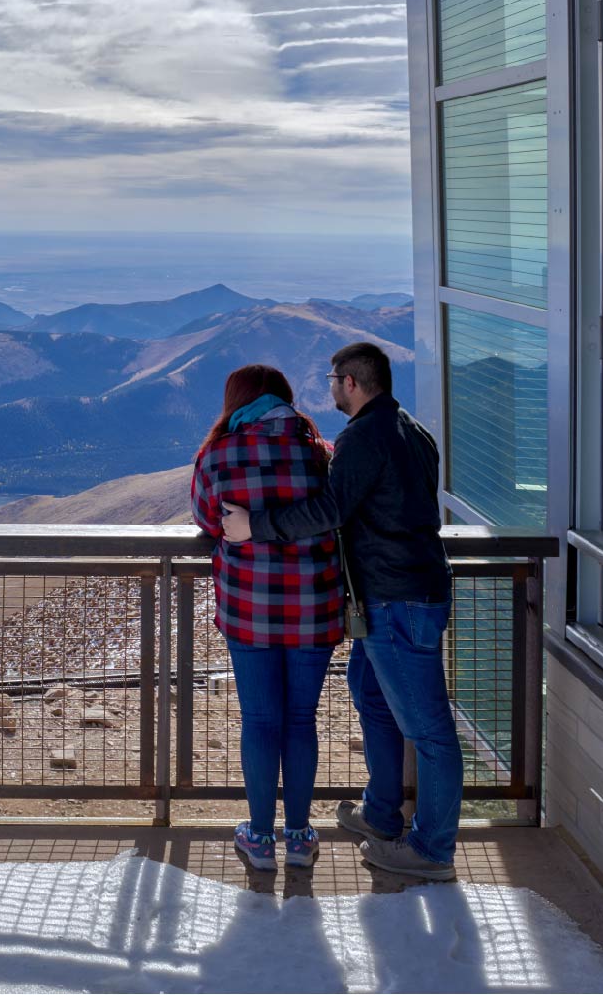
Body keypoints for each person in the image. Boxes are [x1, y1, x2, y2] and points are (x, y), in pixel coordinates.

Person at [220, 341, 459, 882]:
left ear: (351, 383)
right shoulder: (411, 430)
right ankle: (380, 814)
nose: (328, 389)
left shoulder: (362, 437)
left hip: (396, 598)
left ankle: (432, 850)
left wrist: (254, 527)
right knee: (372, 698)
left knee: (428, 729)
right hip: (404, 591)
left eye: (333, 379)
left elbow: (330, 510)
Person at [191, 364, 342, 871]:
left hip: (249, 607)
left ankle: (259, 839)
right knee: (301, 720)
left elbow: (209, 520)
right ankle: (298, 837)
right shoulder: (320, 452)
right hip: (315, 609)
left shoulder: (218, 454)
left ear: (237, 401)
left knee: (260, 720)